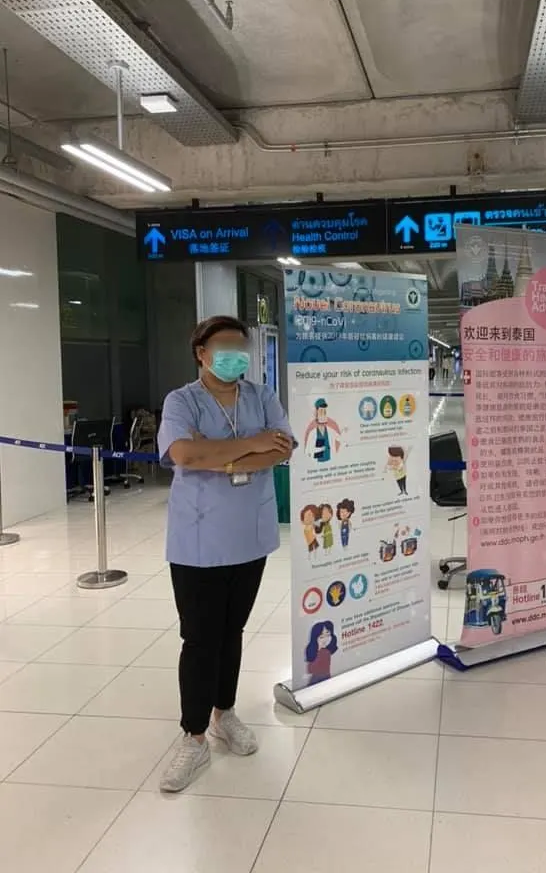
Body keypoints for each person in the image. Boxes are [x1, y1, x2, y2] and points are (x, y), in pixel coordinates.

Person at [157, 315, 295, 793]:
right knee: (200, 638)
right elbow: (184, 455)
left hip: (249, 535)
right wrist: (251, 445)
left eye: (241, 344)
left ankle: (224, 713)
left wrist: (218, 454)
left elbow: (283, 449)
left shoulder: (262, 396)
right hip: (198, 539)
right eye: (225, 344)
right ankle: (193, 737)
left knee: (232, 629)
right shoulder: (182, 401)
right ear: (201, 352)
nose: (236, 352)